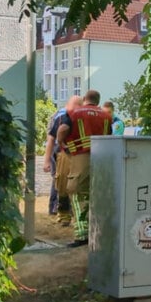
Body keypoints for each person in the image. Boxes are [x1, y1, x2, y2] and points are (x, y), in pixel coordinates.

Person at [57, 89, 112, 247]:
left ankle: (81, 235)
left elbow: (63, 129)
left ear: (84, 99)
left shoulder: (75, 113)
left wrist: (61, 143)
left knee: (76, 192)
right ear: (98, 101)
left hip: (81, 157)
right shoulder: (107, 116)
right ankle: (97, 232)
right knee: (96, 194)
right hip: (102, 159)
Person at [43, 95, 82, 224]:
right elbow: (52, 139)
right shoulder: (62, 118)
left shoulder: (63, 116)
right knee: (61, 183)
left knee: (61, 183)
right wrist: (47, 160)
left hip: (65, 154)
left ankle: (62, 213)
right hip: (63, 155)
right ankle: (58, 210)